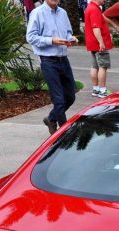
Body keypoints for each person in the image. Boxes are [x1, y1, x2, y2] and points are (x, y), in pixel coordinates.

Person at [26, 0, 78, 134]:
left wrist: (70, 39)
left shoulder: (63, 13)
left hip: (63, 59)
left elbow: (67, 32)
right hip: (48, 61)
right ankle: (64, 133)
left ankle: (51, 118)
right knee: (59, 100)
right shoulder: (37, 13)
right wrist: (51, 41)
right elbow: (30, 37)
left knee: (70, 96)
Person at [84, 0, 112, 97]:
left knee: (94, 66)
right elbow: (96, 27)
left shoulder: (89, 8)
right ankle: (102, 90)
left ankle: (96, 89)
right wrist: (101, 42)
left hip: (92, 43)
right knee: (102, 66)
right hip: (98, 44)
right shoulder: (94, 9)